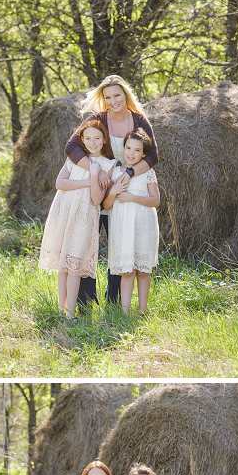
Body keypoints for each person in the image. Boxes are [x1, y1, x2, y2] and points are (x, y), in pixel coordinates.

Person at [64, 75, 159, 306]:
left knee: (120, 246)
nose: (113, 100)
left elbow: (153, 154)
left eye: (117, 95)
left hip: (124, 190)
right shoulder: (98, 119)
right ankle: (86, 301)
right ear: (103, 99)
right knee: (87, 244)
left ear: (125, 95)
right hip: (98, 190)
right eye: (108, 97)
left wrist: (128, 173)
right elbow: (71, 146)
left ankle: (113, 301)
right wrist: (97, 168)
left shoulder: (139, 121)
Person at [38, 120, 115, 319]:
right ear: (81, 140)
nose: (93, 142)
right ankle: (61, 310)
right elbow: (60, 183)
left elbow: (97, 199)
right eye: (88, 138)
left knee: (74, 265)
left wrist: (97, 172)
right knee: (63, 264)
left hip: (84, 216)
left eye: (97, 138)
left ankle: (70, 314)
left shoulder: (108, 165)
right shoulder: (75, 158)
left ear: (104, 140)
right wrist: (92, 176)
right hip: (64, 212)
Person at [103, 129, 161, 315]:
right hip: (122, 226)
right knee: (127, 271)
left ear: (144, 154)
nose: (131, 153)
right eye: (128, 148)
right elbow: (107, 205)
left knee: (143, 271)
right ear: (123, 148)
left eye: (137, 150)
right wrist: (113, 192)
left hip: (144, 225)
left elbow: (155, 201)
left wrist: (130, 197)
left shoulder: (147, 173)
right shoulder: (115, 174)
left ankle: (142, 311)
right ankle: (125, 313)